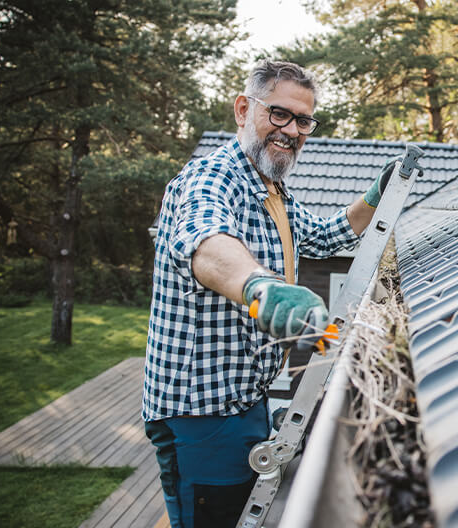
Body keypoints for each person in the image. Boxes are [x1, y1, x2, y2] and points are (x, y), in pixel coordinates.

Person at [143, 60, 397, 528]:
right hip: (202, 410)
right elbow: (206, 242)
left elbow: (323, 236)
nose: (292, 130)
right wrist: (262, 289)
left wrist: (377, 196)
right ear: (244, 109)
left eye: (303, 120)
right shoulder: (211, 178)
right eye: (278, 114)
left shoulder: (271, 188)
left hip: (245, 399)